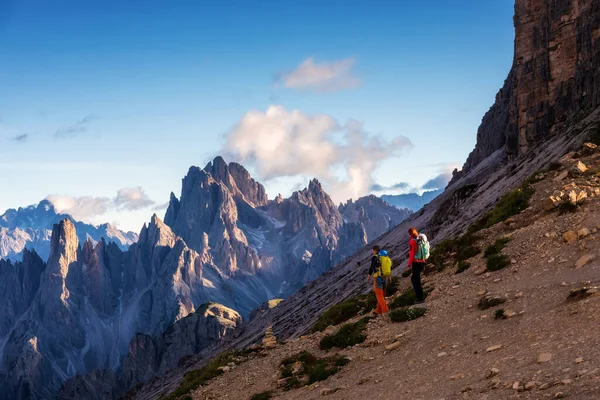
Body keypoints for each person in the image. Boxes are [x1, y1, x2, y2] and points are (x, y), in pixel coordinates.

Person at [367, 245, 389, 314]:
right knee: (382, 294)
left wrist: (369, 275)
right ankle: (378, 310)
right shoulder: (385, 257)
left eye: (373, 250)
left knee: (379, 294)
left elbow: (372, 267)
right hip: (385, 277)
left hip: (378, 278)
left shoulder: (375, 257)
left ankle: (385, 310)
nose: (372, 252)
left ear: (375, 250)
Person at [407, 227, 425, 303]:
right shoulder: (422, 237)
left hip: (416, 262)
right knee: (415, 279)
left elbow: (411, 254)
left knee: (415, 280)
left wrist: (409, 265)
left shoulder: (412, 242)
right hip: (422, 261)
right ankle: (420, 297)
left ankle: (420, 298)